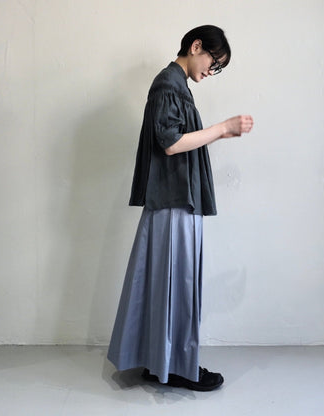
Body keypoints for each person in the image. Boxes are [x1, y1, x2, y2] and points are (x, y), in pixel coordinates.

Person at [107, 25, 254, 392]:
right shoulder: (168, 84)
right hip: (173, 201)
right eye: (213, 62)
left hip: (173, 199)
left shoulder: (176, 85)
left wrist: (222, 132)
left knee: (164, 284)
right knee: (178, 284)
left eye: (218, 68)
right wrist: (221, 127)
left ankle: (159, 363)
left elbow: (175, 142)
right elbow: (171, 144)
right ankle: (176, 369)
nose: (212, 71)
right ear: (196, 46)